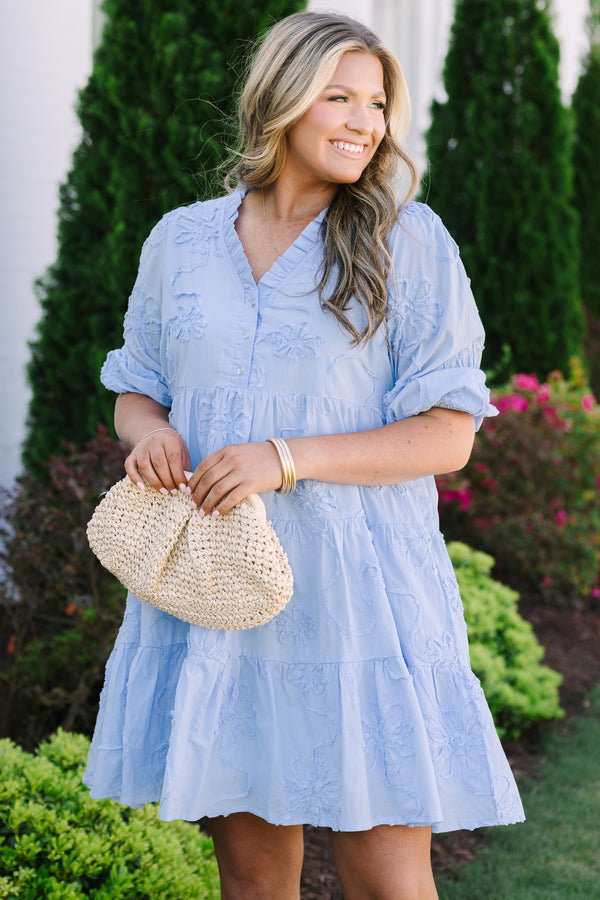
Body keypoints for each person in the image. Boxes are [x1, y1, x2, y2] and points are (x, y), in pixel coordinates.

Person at [84, 10, 524, 899]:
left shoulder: (408, 240)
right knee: (252, 884)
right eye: (340, 97)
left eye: (377, 104)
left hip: (362, 600)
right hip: (223, 591)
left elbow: (450, 434)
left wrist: (284, 456)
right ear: (281, 99)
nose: (366, 122)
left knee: (388, 883)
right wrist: (152, 433)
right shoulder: (181, 241)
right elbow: (137, 389)